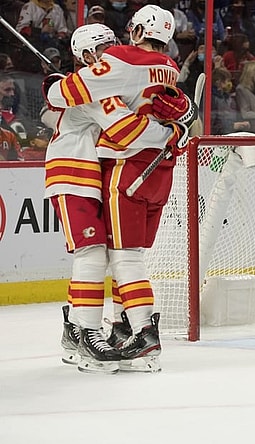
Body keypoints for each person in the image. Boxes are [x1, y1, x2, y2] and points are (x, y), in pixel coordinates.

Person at [47, 5, 196, 373]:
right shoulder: (115, 84)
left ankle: (101, 329)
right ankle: (85, 333)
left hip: (98, 175)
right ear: (84, 56)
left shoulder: (109, 78)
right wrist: (174, 130)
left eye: (109, 43)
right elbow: (124, 130)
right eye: (98, 48)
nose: (106, 52)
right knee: (97, 255)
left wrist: (57, 87)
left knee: (111, 254)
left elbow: (62, 96)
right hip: (74, 175)